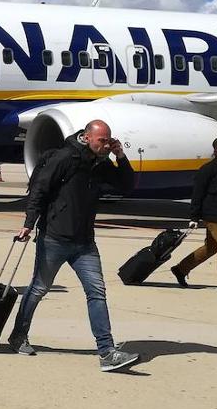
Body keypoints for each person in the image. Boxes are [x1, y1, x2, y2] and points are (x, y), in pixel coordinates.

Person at [8, 120, 140, 373]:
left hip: (84, 243)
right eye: (102, 140)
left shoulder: (99, 163)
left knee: (97, 292)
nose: (105, 144)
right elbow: (40, 190)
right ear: (87, 137)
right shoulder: (65, 158)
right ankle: (18, 336)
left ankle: (107, 351)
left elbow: (126, 186)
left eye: (108, 140)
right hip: (54, 238)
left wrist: (120, 156)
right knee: (38, 289)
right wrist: (28, 223)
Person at [171, 135, 217, 296]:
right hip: (213, 214)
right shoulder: (209, 169)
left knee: (211, 248)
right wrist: (194, 218)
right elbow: (197, 194)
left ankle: (180, 269)